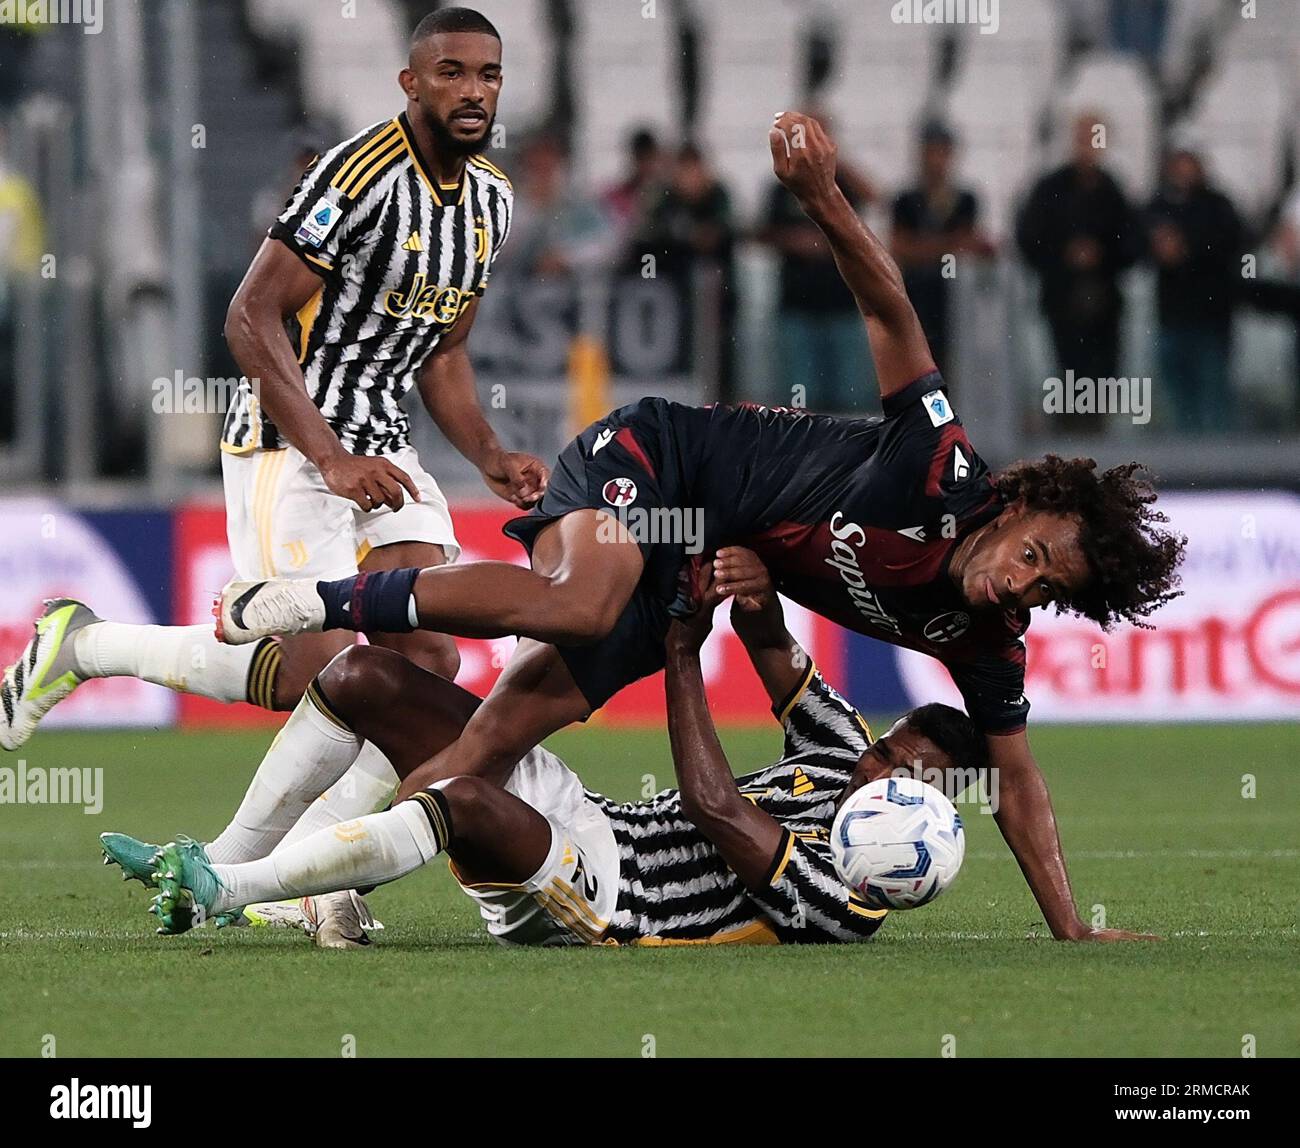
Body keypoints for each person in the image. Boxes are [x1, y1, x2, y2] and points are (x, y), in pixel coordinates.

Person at [213, 112, 1185, 943]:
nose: (1025, 583)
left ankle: (320, 884)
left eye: (1050, 588)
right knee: (583, 603)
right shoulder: (942, 467)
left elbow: (1016, 779)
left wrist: (1068, 925)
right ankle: (320, 598)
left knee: (504, 730)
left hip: (686, 570)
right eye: (1035, 554)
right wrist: (823, 197)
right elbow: (892, 313)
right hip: (665, 455)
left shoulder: (980, 638)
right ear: (1020, 506)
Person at [0, 8, 548, 754]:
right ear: (411, 82)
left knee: (427, 656)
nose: (473, 91)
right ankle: (85, 648)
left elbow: (445, 351)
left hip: (382, 446)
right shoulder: (356, 176)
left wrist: (489, 454)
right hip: (288, 445)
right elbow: (249, 316)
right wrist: (330, 458)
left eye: (488, 75)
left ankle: (333, 869)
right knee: (321, 678)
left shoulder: (493, 200)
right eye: (451, 73)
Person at [103, 551, 984, 948]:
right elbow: (771, 643)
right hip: (593, 815)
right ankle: (220, 861)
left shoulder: (844, 903)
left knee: (469, 799)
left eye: (907, 781)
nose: (879, 780)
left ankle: (231, 892)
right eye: (887, 760)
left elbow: (717, 807)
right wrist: (750, 581)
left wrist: (681, 650)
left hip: (607, 902)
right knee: (364, 675)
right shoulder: (842, 749)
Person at [1016, 113, 1143, 433]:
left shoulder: (1113, 189)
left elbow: (1132, 243)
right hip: (1062, 304)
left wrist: (1101, 256)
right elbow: (1029, 238)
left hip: (1104, 307)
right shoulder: (1050, 189)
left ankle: (1094, 444)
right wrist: (1064, 255)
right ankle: (1066, 444)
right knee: (1066, 378)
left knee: (1102, 384)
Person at [759, 110, 878, 413]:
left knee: (851, 397)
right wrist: (797, 243)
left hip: (842, 302)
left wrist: (838, 161)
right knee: (801, 399)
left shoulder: (841, 182)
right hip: (798, 305)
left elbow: (875, 197)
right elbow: (764, 231)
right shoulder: (783, 181)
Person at [1146, 145, 1242, 434]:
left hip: (1210, 320)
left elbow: (1233, 243)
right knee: (1178, 405)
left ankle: (1220, 471)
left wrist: (1186, 248)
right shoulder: (1159, 205)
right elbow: (1133, 242)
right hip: (1171, 320)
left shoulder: (1218, 205)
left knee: (1213, 403)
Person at [890, 121, 994, 388]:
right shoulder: (907, 199)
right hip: (918, 298)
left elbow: (966, 245)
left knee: (952, 366)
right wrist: (948, 245)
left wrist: (925, 248)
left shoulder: (965, 198)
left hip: (954, 300)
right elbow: (901, 248)